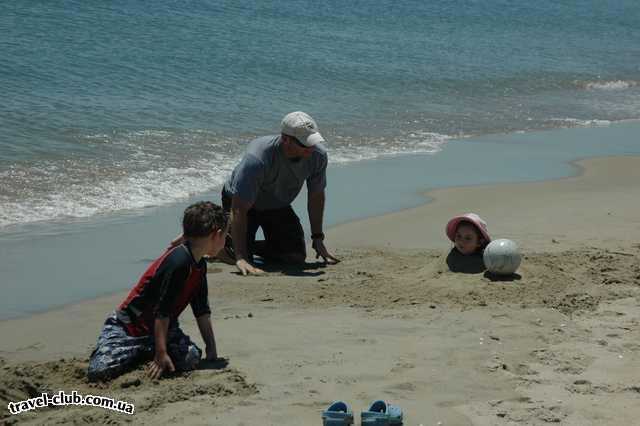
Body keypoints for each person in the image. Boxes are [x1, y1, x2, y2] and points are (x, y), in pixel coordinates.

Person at [87, 201, 228, 381]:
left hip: (163, 329)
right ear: (216, 235)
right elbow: (162, 311)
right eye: (225, 236)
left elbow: (201, 310)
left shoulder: (199, 264)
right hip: (129, 328)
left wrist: (211, 349)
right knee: (99, 371)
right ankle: (146, 352)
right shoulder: (179, 262)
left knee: (191, 357)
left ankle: (150, 350)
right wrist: (161, 354)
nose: (225, 242)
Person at [220, 111, 339, 275]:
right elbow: (238, 209)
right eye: (305, 144)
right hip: (243, 203)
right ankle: (222, 244)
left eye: (313, 141)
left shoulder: (317, 155)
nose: (311, 148)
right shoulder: (257, 159)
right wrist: (241, 256)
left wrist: (318, 238)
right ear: (286, 140)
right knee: (241, 259)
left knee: (295, 257)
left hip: (276, 203)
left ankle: (234, 241)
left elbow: (316, 196)